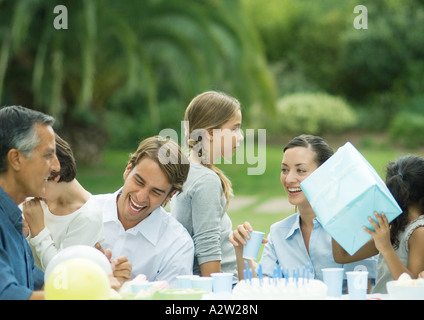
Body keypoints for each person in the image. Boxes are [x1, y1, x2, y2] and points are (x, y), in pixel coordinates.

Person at [230, 135, 377, 289]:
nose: (289, 179)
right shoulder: (279, 233)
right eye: (285, 170)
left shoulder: (352, 227)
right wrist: (242, 250)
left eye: (301, 170)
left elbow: (362, 290)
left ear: (326, 174)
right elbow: (260, 289)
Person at [94, 136, 194, 288]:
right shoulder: (85, 210)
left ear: (170, 196)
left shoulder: (177, 244)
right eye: (139, 182)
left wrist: (127, 291)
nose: (141, 197)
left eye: (155, 192)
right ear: (128, 169)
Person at [170, 91, 243, 283]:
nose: (241, 137)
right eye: (235, 129)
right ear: (210, 133)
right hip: (221, 286)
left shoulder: (186, 171)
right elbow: (207, 247)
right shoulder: (206, 180)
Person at [332, 155, 424, 293]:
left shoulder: (419, 231)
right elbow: (342, 256)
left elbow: (412, 289)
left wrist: (386, 248)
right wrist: (339, 213)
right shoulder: (394, 228)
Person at [0, 105, 60, 300]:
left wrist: (97, 274)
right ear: (16, 159)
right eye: (48, 155)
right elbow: (8, 295)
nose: (56, 167)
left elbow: (41, 284)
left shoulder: (13, 217)